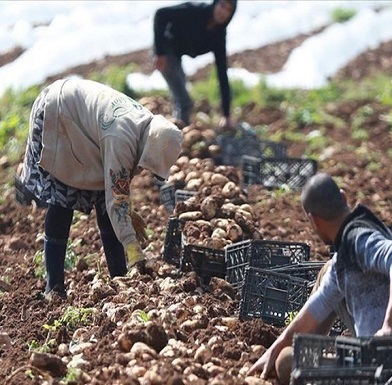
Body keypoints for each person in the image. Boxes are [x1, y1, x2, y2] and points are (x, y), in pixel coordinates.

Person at [247, 172, 392, 383]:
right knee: (284, 357)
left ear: (313, 220)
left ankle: (317, 363)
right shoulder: (346, 255)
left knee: (287, 364)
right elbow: (316, 307)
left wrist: (389, 328)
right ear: (344, 197)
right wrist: (274, 349)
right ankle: (310, 355)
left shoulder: (359, 239)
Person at [18, 77, 182, 300]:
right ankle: (53, 287)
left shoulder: (145, 125)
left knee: (104, 201)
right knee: (62, 197)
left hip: (78, 120)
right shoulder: (121, 140)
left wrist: (126, 213)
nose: (145, 170)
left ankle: (119, 278)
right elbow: (117, 198)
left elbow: (114, 194)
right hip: (57, 114)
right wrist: (133, 248)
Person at [153, 0, 237, 129]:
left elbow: (222, 72)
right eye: (222, 6)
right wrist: (160, 52)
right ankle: (175, 135)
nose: (223, 12)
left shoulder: (219, 35)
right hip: (166, 51)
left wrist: (226, 114)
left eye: (229, 10)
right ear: (215, 4)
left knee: (180, 98)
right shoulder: (194, 11)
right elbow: (161, 14)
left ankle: (175, 131)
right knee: (184, 101)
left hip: (177, 55)